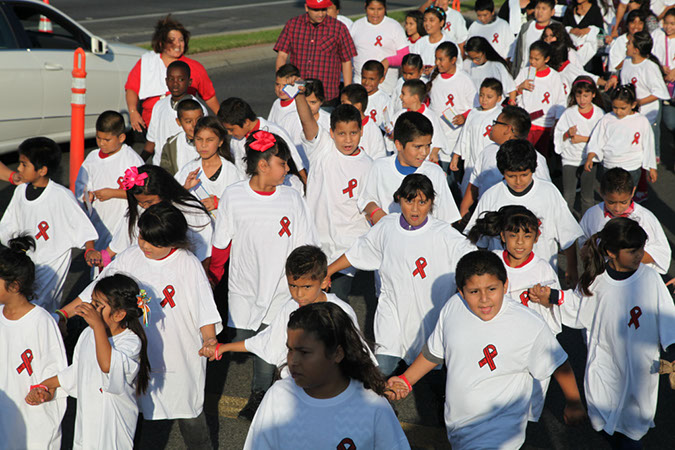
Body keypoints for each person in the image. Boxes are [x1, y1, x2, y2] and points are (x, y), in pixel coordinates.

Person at [387, 250, 585, 449]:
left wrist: (574, 402)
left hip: (499, 432)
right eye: (474, 292)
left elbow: (558, 363)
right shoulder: (453, 307)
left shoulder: (528, 325)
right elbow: (434, 352)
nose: (484, 299)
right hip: (459, 427)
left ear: (505, 285)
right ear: (461, 291)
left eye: (492, 289)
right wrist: (406, 380)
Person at [63, 203, 222, 449]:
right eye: (142, 237)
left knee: (188, 412)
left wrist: (210, 339)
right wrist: (63, 313)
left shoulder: (188, 264)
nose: (145, 246)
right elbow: (96, 290)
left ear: (174, 242)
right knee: (135, 415)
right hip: (136, 351)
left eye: (154, 243)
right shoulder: (130, 257)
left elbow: (205, 311)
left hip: (179, 355)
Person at [535, 218, 675, 448]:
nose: (640, 255)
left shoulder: (649, 279)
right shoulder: (597, 279)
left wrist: (673, 349)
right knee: (603, 420)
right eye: (632, 251)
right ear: (611, 251)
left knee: (632, 430)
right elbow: (578, 306)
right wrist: (551, 296)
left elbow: (667, 315)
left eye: (641, 248)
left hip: (639, 368)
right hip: (605, 362)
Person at [209, 131, 318, 420]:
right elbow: (221, 243)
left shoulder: (292, 198)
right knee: (247, 337)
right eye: (282, 164)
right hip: (246, 285)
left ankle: (260, 395)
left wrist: (313, 280)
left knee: (271, 340)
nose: (287, 170)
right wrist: (213, 276)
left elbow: (306, 243)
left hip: (283, 287)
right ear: (262, 166)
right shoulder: (234, 195)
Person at [328, 174, 475, 376]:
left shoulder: (445, 235)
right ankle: (379, 407)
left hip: (428, 318)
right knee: (383, 370)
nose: (415, 209)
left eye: (422, 202)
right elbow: (358, 253)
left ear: (431, 202)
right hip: (392, 314)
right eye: (409, 201)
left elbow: (476, 263)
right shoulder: (386, 227)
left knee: (433, 378)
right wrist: (327, 272)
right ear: (399, 199)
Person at [243, 302, 410, 449]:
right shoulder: (278, 395)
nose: (293, 361)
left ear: (337, 354)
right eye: (290, 350)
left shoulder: (373, 405)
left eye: (305, 352)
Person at [26, 274, 150, 449]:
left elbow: (107, 365)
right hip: (88, 418)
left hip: (113, 424)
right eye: (91, 302)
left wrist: (98, 326)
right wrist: (46, 385)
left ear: (119, 314)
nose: (90, 308)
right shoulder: (88, 334)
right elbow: (78, 372)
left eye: (98, 305)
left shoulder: (130, 342)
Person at [467, 206, 564, 422]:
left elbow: (557, 311)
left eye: (527, 236)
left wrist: (547, 299)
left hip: (526, 345)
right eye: (513, 235)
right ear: (502, 236)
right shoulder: (491, 261)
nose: (520, 242)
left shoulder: (543, 269)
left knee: (520, 411)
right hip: (493, 341)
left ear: (536, 238)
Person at [200, 246, 367, 370]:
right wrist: (223, 347)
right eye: (293, 286)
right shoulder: (290, 308)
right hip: (295, 387)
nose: (299, 294)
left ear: (324, 282)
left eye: (307, 287)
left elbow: (358, 353)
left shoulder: (341, 311)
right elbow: (266, 341)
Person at [0, 137, 98, 312]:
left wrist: (90, 249)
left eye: (24, 164)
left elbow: (82, 226)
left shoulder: (61, 196)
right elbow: (8, 225)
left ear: (42, 170)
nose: (19, 169)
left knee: (38, 309)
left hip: (51, 264)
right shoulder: (20, 191)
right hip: (25, 263)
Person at [465, 139, 582, 280]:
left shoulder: (549, 192)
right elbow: (476, 241)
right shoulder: (491, 196)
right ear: (502, 172)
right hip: (502, 279)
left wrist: (572, 267)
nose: (518, 181)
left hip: (541, 278)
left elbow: (567, 235)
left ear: (533, 169)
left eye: (524, 175)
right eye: (511, 176)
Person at [295, 89, 373, 302]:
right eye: (341, 133)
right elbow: (307, 121)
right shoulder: (322, 149)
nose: (348, 140)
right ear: (331, 132)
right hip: (314, 242)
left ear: (361, 131)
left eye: (353, 133)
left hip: (345, 249)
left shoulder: (369, 166)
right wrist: (298, 95)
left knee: (336, 303)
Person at [0, 235, 67, 450]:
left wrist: (42, 391)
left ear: (14, 285)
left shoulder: (41, 321)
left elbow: (56, 370)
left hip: (32, 417)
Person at [359, 111, 461, 225]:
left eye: (428, 145)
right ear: (398, 145)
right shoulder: (379, 167)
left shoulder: (435, 173)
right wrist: (379, 215)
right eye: (418, 147)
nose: (424, 152)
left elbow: (446, 218)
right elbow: (366, 200)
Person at [102, 165, 213, 265]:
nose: (144, 206)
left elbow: (204, 252)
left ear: (164, 192)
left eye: (149, 202)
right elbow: (119, 244)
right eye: (139, 202)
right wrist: (102, 260)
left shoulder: (190, 210)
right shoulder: (138, 209)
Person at [125, 16, 218, 133]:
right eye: (172, 40)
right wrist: (133, 112)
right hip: (153, 124)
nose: (177, 44)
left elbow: (209, 96)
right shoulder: (147, 62)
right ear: (161, 43)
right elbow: (131, 89)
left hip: (184, 125)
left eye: (181, 40)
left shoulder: (194, 67)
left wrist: (224, 120)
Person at [461, 106, 551, 218]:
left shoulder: (534, 158)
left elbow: (545, 194)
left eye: (496, 123)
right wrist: (464, 210)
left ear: (508, 129)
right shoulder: (487, 151)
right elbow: (475, 183)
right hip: (488, 221)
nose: (492, 126)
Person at [75, 111, 143, 257]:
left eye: (107, 140)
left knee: (120, 266)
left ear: (121, 137)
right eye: (98, 138)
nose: (101, 143)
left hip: (124, 226)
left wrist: (112, 193)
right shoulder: (92, 159)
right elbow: (82, 188)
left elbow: (143, 193)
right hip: (100, 223)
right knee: (101, 266)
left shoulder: (132, 160)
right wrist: (88, 195)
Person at [579, 168, 671, 274]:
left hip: (635, 279)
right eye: (611, 202)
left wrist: (621, 258)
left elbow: (661, 253)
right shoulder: (592, 214)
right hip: (602, 277)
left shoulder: (645, 218)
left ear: (632, 192)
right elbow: (583, 242)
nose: (617, 208)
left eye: (623, 202)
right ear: (601, 192)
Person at [274, 0, 356, 102]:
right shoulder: (293, 25)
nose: (320, 14)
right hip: (297, 94)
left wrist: (347, 94)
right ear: (306, 8)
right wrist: (281, 83)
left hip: (327, 96)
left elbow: (346, 61)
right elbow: (282, 55)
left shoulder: (339, 28)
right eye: (316, 10)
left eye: (323, 9)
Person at [217, 97, 307, 184]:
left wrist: (306, 183)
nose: (229, 133)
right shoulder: (235, 140)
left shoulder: (274, 132)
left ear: (246, 122)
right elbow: (239, 168)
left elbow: (297, 161)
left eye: (231, 129)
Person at [610, 30, 670, 160]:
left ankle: (652, 159)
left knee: (645, 140)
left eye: (630, 43)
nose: (626, 44)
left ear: (636, 50)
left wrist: (639, 102)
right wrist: (614, 77)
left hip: (647, 112)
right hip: (630, 110)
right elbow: (619, 73)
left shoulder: (649, 67)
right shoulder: (626, 61)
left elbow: (660, 92)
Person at [585, 84, 657, 188]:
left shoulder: (641, 121)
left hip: (632, 166)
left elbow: (649, 145)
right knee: (611, 195)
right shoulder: (607, 119)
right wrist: (590, 157)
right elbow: (597, 140)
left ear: (633, 105)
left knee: (627, 197)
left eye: (623, 108)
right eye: (615, 107)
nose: (618, 111)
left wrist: (652, 168)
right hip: (610, 164)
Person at [553, 75, 605, 216]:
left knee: (587, 196)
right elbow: (558, 136)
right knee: (568, 195)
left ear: (593, 95)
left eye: (586, 96)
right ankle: (566, 226)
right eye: (579, 96)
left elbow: (603, 138)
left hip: (589, 159)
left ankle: (587, 225)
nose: (582, 100)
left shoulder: (600, 114)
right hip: (570, 159)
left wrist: (582, 138)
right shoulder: (569, 114)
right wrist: (567, 134)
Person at [175, 117, 242, 213]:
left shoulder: (231, 171)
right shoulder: (188, 170)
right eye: (199, 139)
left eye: (209, 140)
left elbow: (241, 203)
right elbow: (171, 201)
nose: (203, 145)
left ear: (220, 142)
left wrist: (220, 203)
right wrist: (185, 188)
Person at [145, 61, 207, 165]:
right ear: (166, 81)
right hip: (162, 168)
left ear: (189, 81)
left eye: (181, 79)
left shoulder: (199, 109)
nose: (175, 83)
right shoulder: (159, 106)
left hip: (187, 169)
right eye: (171, 79)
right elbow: (151, 141)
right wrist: (140, 162)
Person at [427, 42, 476, 171]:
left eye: (441, 59)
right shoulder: (435, 77)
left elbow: (475, 107)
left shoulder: (464, 80)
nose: (437, 63)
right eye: (436, 58)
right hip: (435, 136)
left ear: (453, 60)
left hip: (454, 137)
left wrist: (464, 117)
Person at [451, 78, 504, 193]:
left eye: (489, 97)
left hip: (491, 164)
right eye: (481, 95)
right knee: (468, 193)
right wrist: (456, 156)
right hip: (472, 163)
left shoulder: (501, 115)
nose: (484, 100)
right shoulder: (473, 113)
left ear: (499, 98)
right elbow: (464, 135)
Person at [515, 40, 566, 158]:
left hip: (544, 125)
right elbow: (512, 93)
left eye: (536, 59)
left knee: (540, 158)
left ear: (546, 59)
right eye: (531, 58)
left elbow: (560, 101)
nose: (532, 62)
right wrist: (520, 87)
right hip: (525, 123)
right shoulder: (525, 72)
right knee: (523, 156)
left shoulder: (554, 76)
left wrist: (557, 122)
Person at [351, 0, 409, 94]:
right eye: (372, 9)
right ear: (365, 7)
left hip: (386, 89)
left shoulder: (394, 27)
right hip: (360, 88)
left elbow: (405, 56)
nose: (376, 14)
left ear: (385, 8)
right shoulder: (356, 26)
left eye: (380, 9)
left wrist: (388, 61)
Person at [386, 79, 448, 160]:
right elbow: (394, 139)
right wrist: (391, 134)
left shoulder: (430, 116)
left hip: (423, 160)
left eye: (403, 94)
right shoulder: (399, 115)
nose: (400, 97)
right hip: (403, 161)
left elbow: (438, 138)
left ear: (415, 98)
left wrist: (434, 152)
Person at [280, 79, 332, 168]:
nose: (307, 106)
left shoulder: (330, 120)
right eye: (305, 101)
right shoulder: (288, 119)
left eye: (313, 102)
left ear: (322, 101)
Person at [410, 6, 464, 75]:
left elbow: (458, 66)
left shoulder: (449, 43)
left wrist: (436, 69)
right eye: (425, 20)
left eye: (431, 20)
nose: (427, 24)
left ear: (441, 22)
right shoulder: (420, 43)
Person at [340, 83, 388, 160]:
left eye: (344, 103)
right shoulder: (340, 125)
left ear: (358, 106)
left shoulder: (372, 129)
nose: (341, 107)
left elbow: (379, 158)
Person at [464, 36, 517, 104]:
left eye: (477, 58)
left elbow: (511, 89)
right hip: (475, 108)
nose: (474, 61)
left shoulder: (497, 66)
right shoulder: (467, 65)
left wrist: (511, 107)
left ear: (484, 52)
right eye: (471, 58)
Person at [159, 99, 205, 176]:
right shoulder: (172, 144)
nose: (194, 125)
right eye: (188, 121)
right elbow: (166, 174)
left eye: (198, 120)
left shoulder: (214, 140)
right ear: (178, 122)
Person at [511, 0, 557, 75]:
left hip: (546, 75)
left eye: (543, 9)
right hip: (525, 73)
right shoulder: (526, 27)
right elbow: (517, 55)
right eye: (538, 8)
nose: (539, 12)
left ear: (552, 12)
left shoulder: (556, 29)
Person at [388, 53, 424, 118]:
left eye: (411, 74)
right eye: (404, 73)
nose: (407, 77)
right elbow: (392, 102)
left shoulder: (423, 85)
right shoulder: (400, 81)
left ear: (421, 71)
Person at [360, 60, 391, 130]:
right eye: (364, 77)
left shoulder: (384, 99)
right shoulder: (357, 95)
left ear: (381, 79)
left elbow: (387, 123)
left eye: (371, 79)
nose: (366, 82)